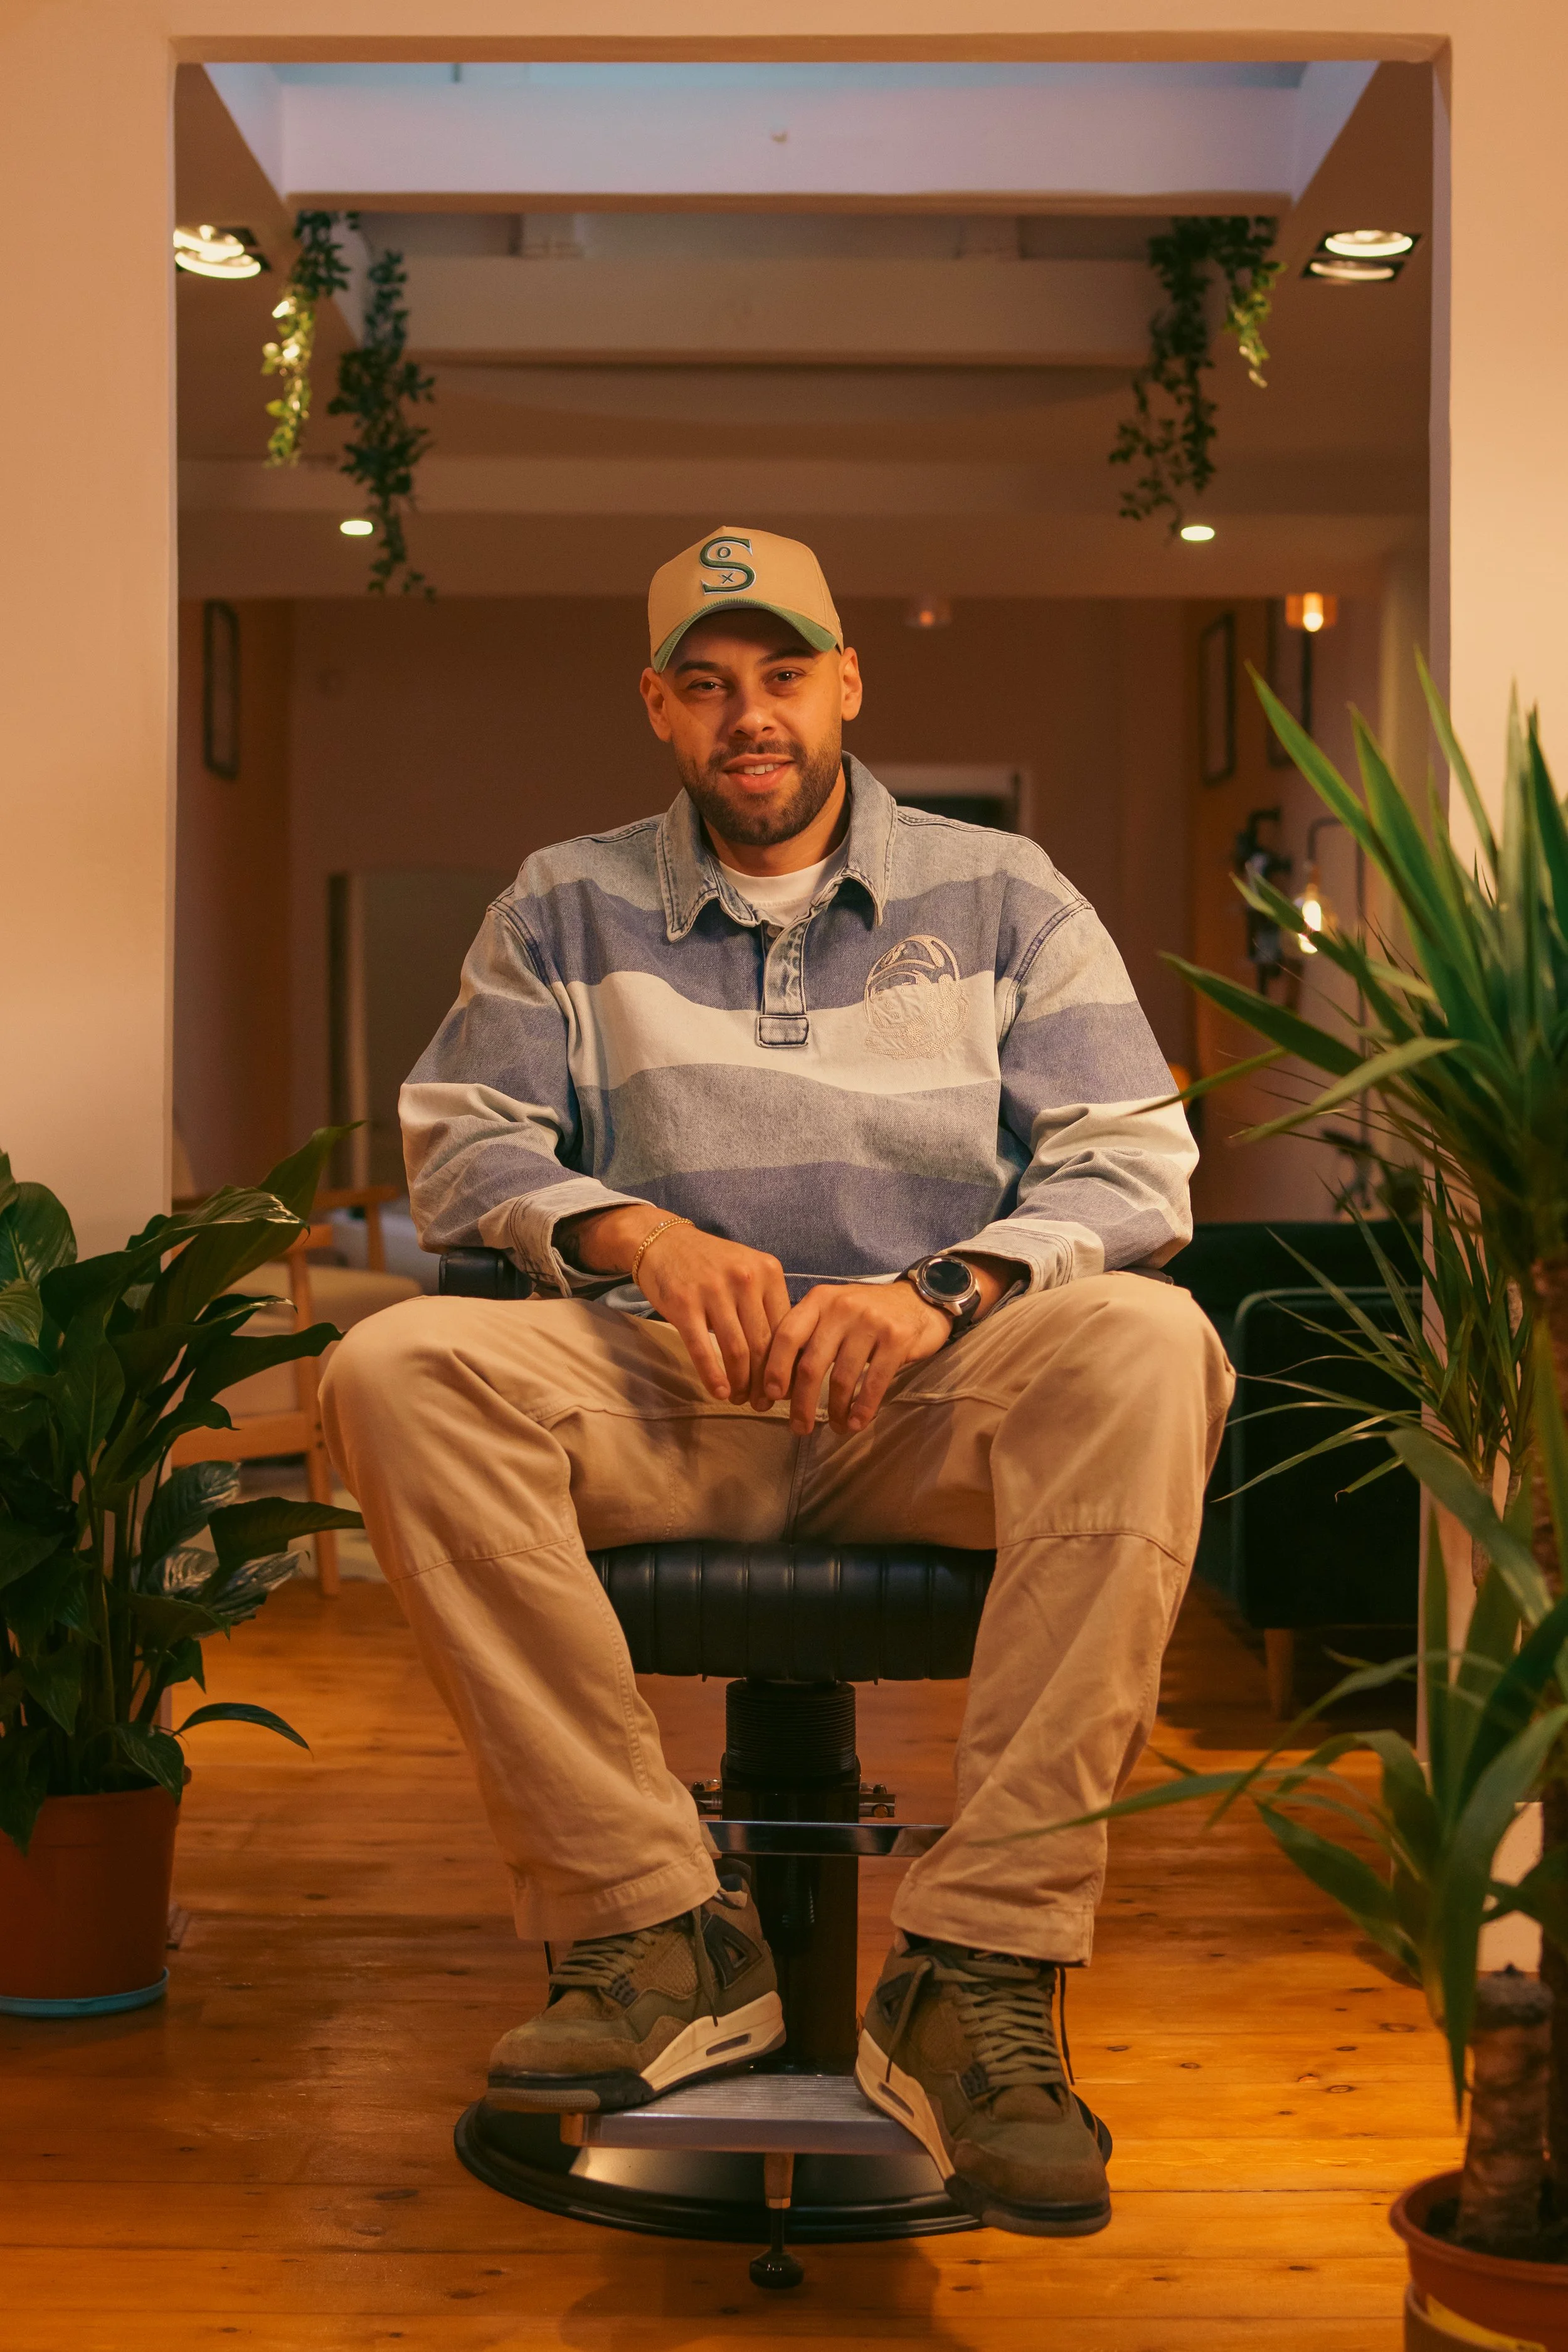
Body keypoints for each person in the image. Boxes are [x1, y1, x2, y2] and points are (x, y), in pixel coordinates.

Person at [322, 526, 1233, 2237]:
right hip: (667, 1399)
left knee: (1151, 1339)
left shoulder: (1007, 894)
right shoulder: (562, 900)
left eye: (784, 675)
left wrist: (932, 1289)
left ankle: (978, 1968)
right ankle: (652, 1928)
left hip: (929, 1403)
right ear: (659, 709)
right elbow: (463, 1152)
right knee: (395, 1366)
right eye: (710, 685)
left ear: (845, 684)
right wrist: (636, 1239)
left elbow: (1134, 1170)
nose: (753, 716)